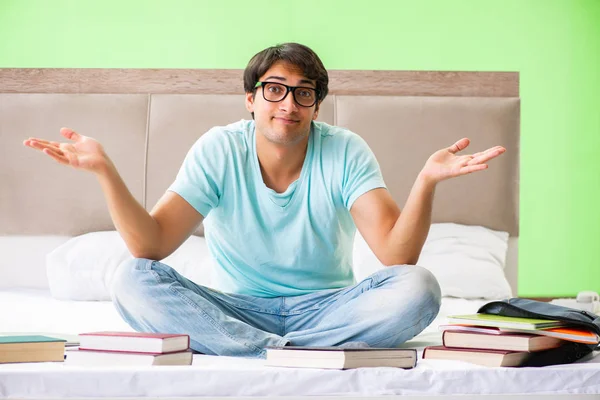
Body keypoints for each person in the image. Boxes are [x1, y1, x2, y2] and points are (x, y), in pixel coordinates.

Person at [23, 42, 505, 358]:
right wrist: (105, 171)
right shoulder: (219, 149)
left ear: (318, 105)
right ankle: (284, 351)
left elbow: (397, 258)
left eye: (303, 93)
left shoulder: (344, 149)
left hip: (328, 308)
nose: (288, 105)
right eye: (274, 90)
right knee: (131, 277)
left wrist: (425, 181)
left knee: (419, 287)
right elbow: (151, 245)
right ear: (250, 99)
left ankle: (263, 350)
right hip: (234, 310)